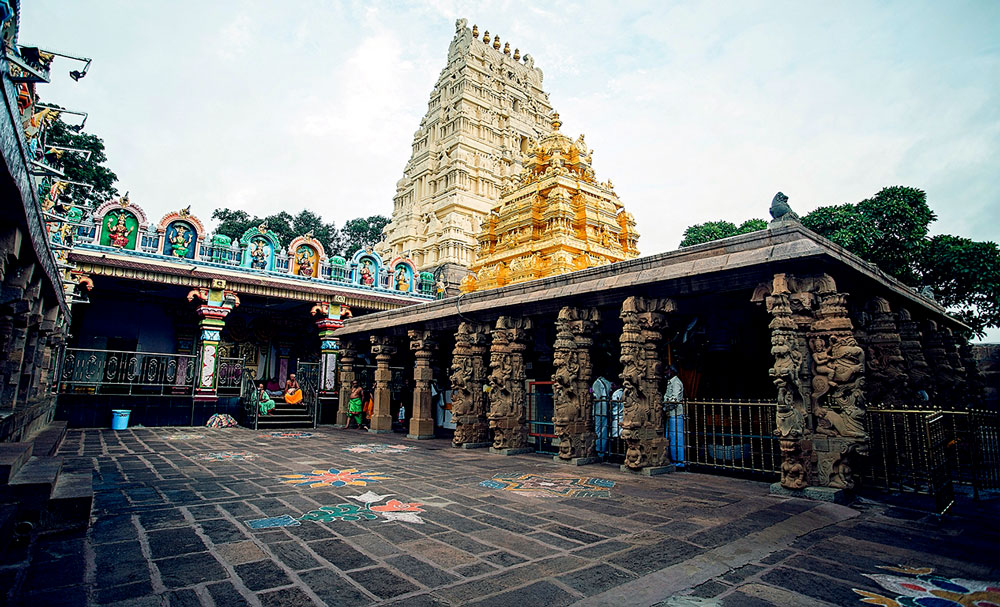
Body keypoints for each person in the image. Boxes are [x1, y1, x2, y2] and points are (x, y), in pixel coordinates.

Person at [663, 366, 685, 468]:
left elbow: (674, 399)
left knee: (676, 437)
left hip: (675, 413)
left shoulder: (676, 382)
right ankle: (673, 459)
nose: (666, 372)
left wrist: (666, 406)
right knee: (671, 437)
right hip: (671, 413)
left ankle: (679, 461)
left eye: (667, 370)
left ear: (672, 371)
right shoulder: (670, 382)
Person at [592, 376, 613, 455]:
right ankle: (601, 449)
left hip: (599, 408)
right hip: (604, 408)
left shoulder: (597, 383)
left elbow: (597, 395)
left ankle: (599, 450)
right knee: (603, 429)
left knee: (599, 429)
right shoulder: (607, 382)